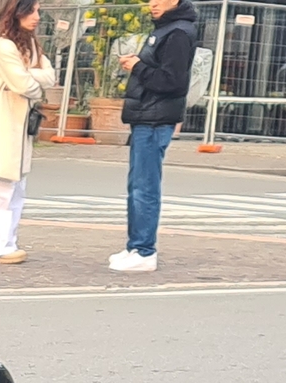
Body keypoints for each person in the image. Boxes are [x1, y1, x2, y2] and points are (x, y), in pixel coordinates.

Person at [109, 0, 198, 274]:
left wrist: (138, 67)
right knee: (137, 185)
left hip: (156, 118)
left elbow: (172, 81)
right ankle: (136, 246)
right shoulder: (165, 29)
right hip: (146, 116)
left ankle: (145, 249)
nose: (153, 3)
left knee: (145, 187)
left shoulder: (178, 33)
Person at [0, 0, 60, 265]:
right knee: (2, 184)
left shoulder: (31, 45)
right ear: (17, 13)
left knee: (17, 186)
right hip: (4, 122)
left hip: (22, 124)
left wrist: (31, 78)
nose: (36, 16)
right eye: (31, 11)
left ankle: (8, 242)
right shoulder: (4, 46)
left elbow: (50, 75)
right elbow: (23, 83)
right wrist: (33, 81)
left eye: (37, 11)